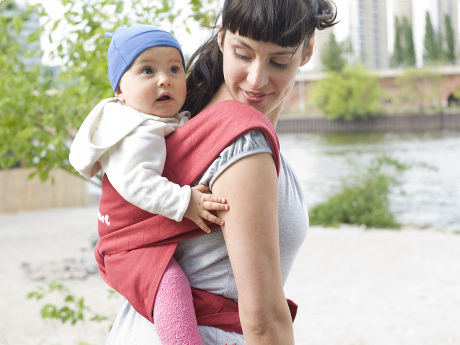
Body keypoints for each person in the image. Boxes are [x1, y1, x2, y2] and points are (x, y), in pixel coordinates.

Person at [105, 0, 338, 344]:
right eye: (243, 54)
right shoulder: (242, 141)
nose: (256, 78)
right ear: (221, 38)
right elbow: (263, 321)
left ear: (307, 51)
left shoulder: (183, 122)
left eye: (278, 61)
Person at [69, 24, 230, 345]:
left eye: (174, 68)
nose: (164, 79)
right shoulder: (134, 131)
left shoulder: (155, 119)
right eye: (147, 70)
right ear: (120, 92)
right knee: (169, 284)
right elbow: (136, 183)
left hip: (132, 239)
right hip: (125, 246)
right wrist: (186, 202)